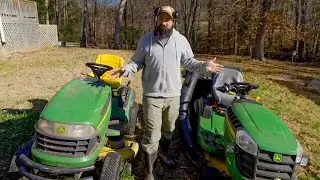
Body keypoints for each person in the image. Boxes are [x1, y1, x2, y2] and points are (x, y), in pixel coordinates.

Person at [110, 5, 223, 180]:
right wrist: (126, 69)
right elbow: (137, 62)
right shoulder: (146, 41)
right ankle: (149, 172)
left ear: (173, 21)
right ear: (156, 19)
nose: (164, 22)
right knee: (151, 134)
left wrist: (203, 65)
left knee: (169, 130)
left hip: (173, 96)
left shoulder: (181, 40)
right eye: (161, 18)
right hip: (152, 96)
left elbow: (189, 63)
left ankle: (163, 155)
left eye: (168, 19)